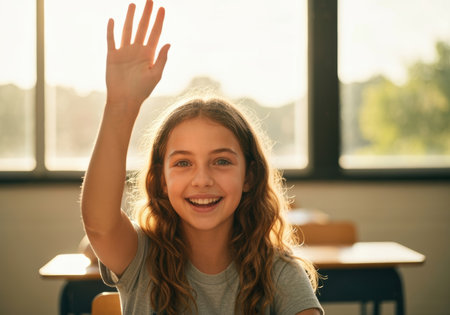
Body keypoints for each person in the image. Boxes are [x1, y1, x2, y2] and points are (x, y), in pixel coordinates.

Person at [80, 1, 324, 314]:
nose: (202, 179)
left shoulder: (279, 270)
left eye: (221, 161)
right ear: (161, 181)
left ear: (249, 176)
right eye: (183, 163)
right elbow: (99, 226)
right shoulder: (141, 256)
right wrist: (120, 106)